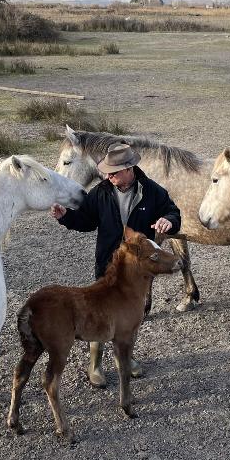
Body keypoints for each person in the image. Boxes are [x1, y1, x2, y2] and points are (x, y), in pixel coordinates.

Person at [51, 142, 181, 387]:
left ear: (130, 168)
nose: (108, 176)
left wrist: (168, 220)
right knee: (100, 311)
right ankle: (95, 364)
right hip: (108, 264)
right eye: (107, 171)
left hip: (138, 270)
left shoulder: (153, 192)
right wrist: (66, 217)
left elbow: (174, 213)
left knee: (131, 314)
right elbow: (87, 220)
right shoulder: (101, 191)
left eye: (114, 172)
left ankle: (125, 358)